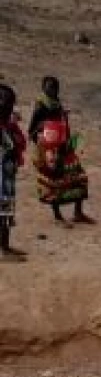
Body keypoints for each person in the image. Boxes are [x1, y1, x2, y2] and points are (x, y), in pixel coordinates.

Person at [28, 76, 93, 227]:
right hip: (49, 149)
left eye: (55, 87)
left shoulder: (56, 102)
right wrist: (43, 132)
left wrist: (68, 141)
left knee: (79, 176)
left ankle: (78, 212)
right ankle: (57, 217)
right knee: (54, 183)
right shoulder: (41, 105)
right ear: (43, 88)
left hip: (64, 146)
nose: (53, 90)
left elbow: (62, 124)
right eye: (50, 87)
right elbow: (31, 131)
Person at [0, 83, 27, 261]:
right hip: (3, 174)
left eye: (9, 102)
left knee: (7, 210)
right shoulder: (5, 126)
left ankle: (5, 247)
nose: (7, 105)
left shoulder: (8, 124)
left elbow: (19, 144)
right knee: (4, 210)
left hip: (7, 175)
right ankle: (3, 250)